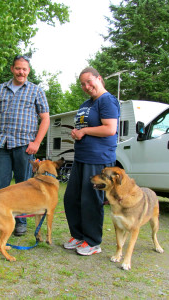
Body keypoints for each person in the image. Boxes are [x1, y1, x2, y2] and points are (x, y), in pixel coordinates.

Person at [0, 55, 50, 236]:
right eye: (18, 68)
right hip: (0, 144)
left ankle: (21, 221)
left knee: (24, 187)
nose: (21, 72)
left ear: (29, 71)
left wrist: (37, 142)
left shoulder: (36, 91)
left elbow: (45, 118)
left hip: (25, 146)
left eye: (24, 69)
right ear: (12, 69)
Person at [63, 67, 120, 255]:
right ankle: (78, 236)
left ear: (99, 78)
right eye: (82, 84)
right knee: (72, 198)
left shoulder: (107, 100)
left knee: (90, 200)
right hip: (81, 156)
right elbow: (83, 126)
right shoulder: (87, 103)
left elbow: (110, 129)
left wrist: (85, 131)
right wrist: (76, 132)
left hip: (98, 158)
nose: (86, 86)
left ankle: (93, 241)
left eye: (89, 82)